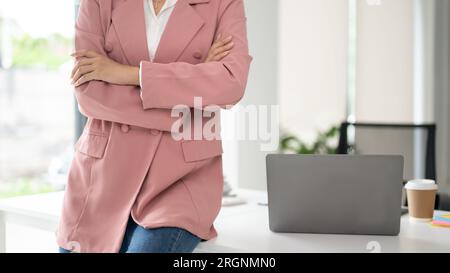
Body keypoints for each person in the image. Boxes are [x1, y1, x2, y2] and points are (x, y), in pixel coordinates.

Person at [57, 0, 252, 253]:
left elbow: (230, 84)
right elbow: (90, 94)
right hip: (102, 178)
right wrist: (196, 82)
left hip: (181, 181)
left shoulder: (224, 3)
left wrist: (128, 74)